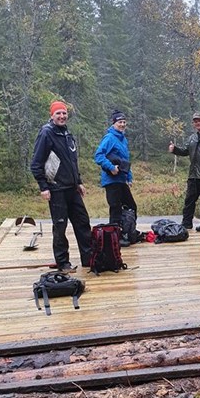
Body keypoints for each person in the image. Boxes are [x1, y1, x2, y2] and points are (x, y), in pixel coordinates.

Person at [30, 100, 92, 272]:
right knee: (60, 226)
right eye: (58, 113)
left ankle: (89, 259)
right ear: (52, 115)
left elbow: (72, 161)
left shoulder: (66, 134)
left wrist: (78, 181)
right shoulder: (46, 133)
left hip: (72, 188)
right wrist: (43, 187)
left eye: (64, 113)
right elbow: (36, 163)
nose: (62, 116)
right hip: (56, 189)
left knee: (83, 222)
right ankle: (63, 263)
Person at [94, 110, 137, 244]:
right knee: (115, 208)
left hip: (121, 179)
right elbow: (98, 156)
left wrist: (129, 177)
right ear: (114, 123)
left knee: (131, 206)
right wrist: (111, 167)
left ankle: (127, 232)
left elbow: (125, 160)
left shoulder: (123, 139)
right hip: (111, 180)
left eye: (124, 122)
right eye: (119, 122)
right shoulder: (109, 138)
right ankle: (115, 238)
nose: (122, 124)